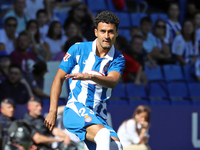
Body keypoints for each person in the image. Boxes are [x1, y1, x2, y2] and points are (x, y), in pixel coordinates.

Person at [44, 10, 125, 150]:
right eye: (103, 31)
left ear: (117, 33)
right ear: (95, 32)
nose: (106, 36)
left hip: (99, 115)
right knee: (103, 135)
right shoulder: (78, 49)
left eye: (111, 32)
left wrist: (89, 76)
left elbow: (112, 81)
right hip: (76, 109)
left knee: (117, 146)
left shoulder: (118, 58)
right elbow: (58, 78)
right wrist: (52, 111)